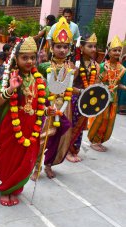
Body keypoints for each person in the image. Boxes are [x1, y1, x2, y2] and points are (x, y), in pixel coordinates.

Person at [0, 37, 56, 206]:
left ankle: (16, 189)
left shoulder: (39, 80)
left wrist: (49, 110)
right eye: (24, 57)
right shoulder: (9, 77)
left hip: (32, 127)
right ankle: (6, 189)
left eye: (32, 57)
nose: (29, 61)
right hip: (11, 126)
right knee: (9, 159)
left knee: (27, 160)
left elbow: (43, 104)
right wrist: (11, 89)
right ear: (16, 58)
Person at [32, 17, 74, 180]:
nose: (62, 50)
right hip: (47, 107)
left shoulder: (70, 68)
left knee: (58, 137)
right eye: (58, 46)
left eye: (65, 47)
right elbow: (37, 84)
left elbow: (69, 88)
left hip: (64, 107)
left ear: (69, 48)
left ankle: (49, 164)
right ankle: (36, 167)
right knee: (43, 138)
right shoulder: (44, 66)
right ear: (52, 47)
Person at [88, 36, 126, 152]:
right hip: (102, 98)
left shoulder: (122, 68)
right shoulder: (102, 66)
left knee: (109, 120)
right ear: (108, 52)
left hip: (113, 99)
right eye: (114, 50)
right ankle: (94, 140)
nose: (117, 52)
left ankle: (100, 141)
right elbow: (96, 82)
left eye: (119, 50)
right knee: (99, 119)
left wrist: (124, 87)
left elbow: (117, 84)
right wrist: (102, 72)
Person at [66, 33, 99, 162]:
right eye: (90, 46)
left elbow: (94, 83)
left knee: (80, 128)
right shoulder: (75, 63)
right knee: (72, 126)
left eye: (95, 46)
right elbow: (68, 83)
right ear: (81, 47)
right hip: (74, 99)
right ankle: (67, 150)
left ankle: (75, 150)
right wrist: (75, 71)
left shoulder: (94, 64)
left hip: (87, 100)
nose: (94, 49)